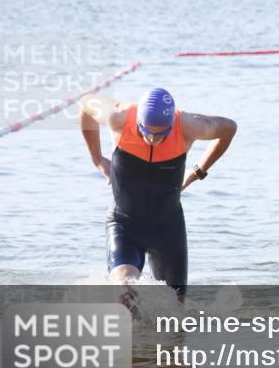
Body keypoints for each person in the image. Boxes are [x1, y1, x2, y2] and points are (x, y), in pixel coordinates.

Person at [79, 87, 237, 299]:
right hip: (125, 223)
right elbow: (84, 104)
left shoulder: (189, 125)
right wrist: (97, 159)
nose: (152, 138)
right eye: (147, 131)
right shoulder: (118, 116)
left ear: (171, 124)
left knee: (174, 314)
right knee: (125, 290)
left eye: (160, 133)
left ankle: (150, 332)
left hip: (168, 228)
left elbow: (229, 128)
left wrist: (198, 171)